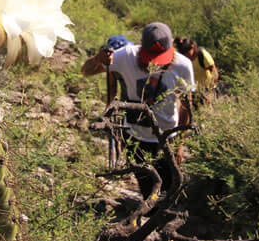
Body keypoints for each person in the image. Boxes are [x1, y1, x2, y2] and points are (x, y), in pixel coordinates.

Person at [93, 22, 195, 200]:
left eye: (160, 59)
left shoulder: (183, 65)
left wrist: (179, 144)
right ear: (141, 45)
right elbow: (86, 70)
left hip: (166, 137)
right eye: (150, 58)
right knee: (146, 186)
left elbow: (187, 106)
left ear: (172, 45)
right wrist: (98, 59)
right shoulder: (125, 56)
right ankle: (150, 210)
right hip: (135, 137)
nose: (155, 63)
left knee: (168, 185)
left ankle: (162, 210)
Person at [174, 37, 218, 101]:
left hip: (207, 90)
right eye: (184, 55)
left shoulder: (202, 55)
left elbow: (215, 73)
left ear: (193, 47)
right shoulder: (182, 60)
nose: (186, 56)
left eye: (187, 53)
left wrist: (210, 89)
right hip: (193, 91)